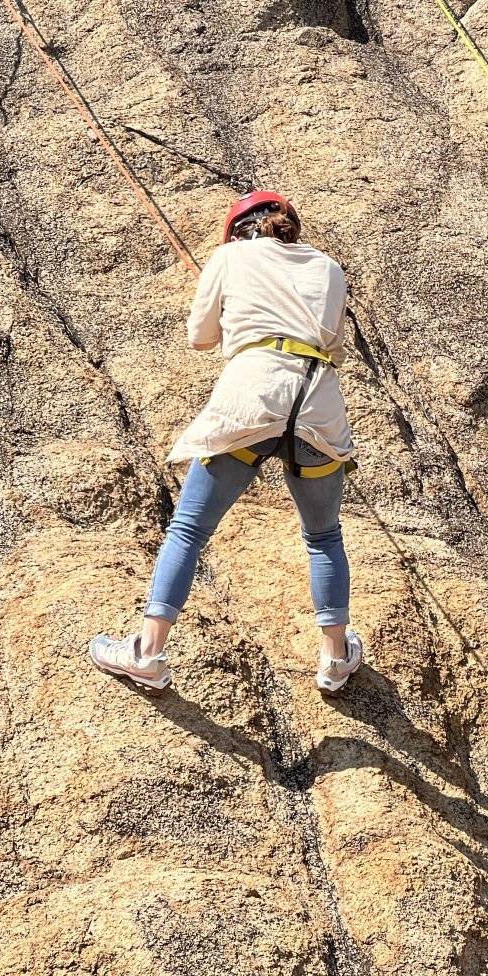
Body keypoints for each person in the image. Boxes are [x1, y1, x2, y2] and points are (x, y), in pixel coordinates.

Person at [90, 190, 364, 695]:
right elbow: (333, 348)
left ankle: (147, 653)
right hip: (316, 405)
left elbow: (200, 337)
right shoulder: (328, 267)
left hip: (251, 403)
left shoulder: (229, 256)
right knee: (324, 536)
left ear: (238, 230)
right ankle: (334, 658)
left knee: (189, 529)